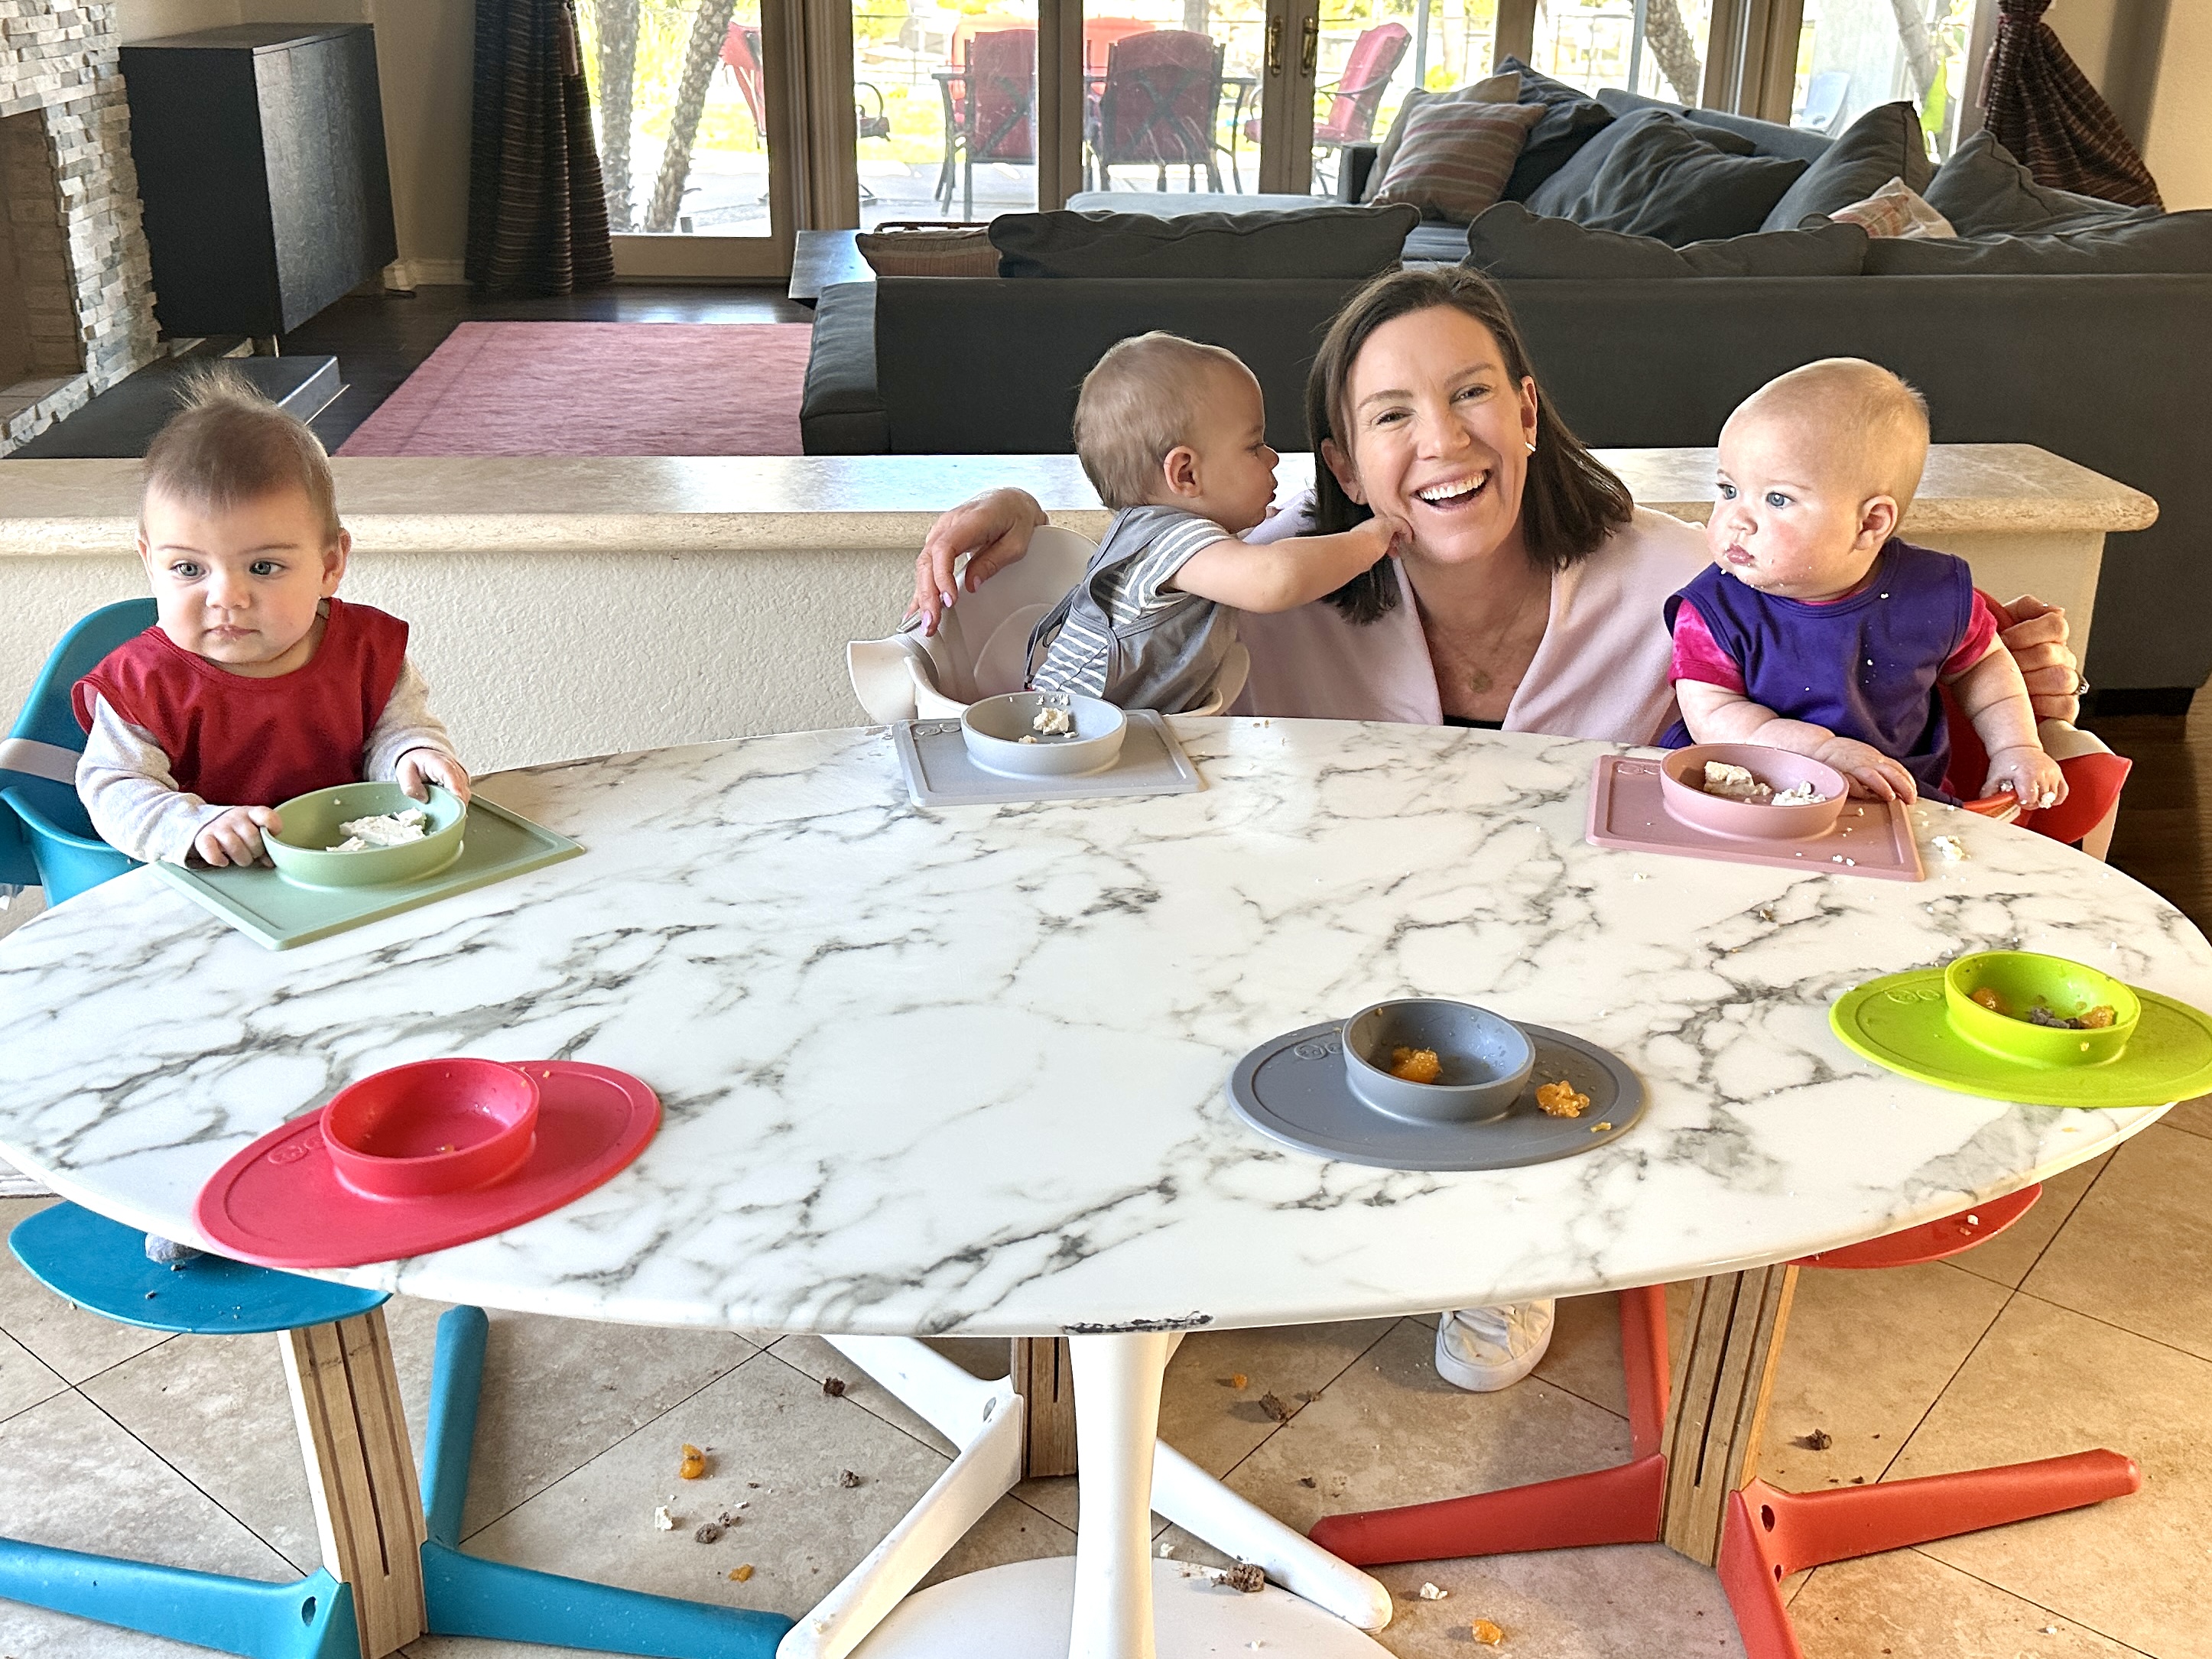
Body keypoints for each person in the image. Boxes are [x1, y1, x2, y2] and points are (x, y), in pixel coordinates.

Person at [911, 267, 2086, 1391]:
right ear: (1343, 464)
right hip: (1335, 970)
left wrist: (2009, 686)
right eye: (1390, 414)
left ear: (1525, 411)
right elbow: (1130, 558)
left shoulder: (1687, 583)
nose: (1444, 438)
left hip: (1583, 986)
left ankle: (1511, 1238)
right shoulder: (1269, 581)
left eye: (1472, 392)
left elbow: (1865, 656)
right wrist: (1016, 508)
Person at [73, 367, 470, 870]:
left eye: (263, 567)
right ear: (149, 562)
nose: (227, 597)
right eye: (188, 568)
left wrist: (413, 758)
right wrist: (194, 827)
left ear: (330, 566)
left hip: (349, 868)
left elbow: (396, 733)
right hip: (215, 889)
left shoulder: (366, 651)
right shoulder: (142, 685)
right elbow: (115, 788)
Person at [1665, 358, 2065, 810]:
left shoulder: (1934, 594)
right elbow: (1713, 716)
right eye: (1728, 489)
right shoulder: (1713, 610)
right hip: (1746, 799)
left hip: (1902, 797)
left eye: (1777, 499)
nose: (1736, 520)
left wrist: (2017, 748)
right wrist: (1822, 753)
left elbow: (1984, 667)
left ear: (1870, 522)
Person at [1030, 331, 1405, 713]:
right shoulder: (1172, 540)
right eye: (1254, 446)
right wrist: (1366, 541)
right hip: (1066, 729)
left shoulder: (1156, 534)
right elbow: (1274, 580)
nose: (1272, 458)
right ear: (1186, 474)